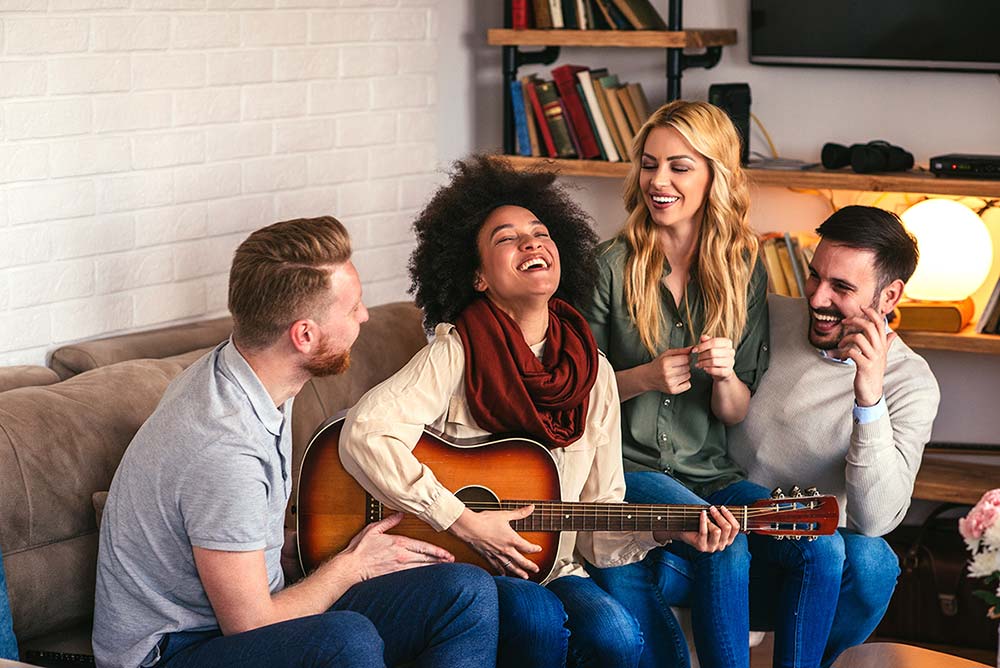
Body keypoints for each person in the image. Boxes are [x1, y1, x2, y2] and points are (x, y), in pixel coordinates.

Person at [339, 155, 741, 668]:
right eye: (505, 238)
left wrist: (667, 528)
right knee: (536, 618)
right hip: (462, 561)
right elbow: (364, 432)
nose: (530, 242)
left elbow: (599, 524)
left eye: (539, 232)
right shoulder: (456, 351)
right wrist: (463, 520)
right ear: (479, 277)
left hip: (555, 564)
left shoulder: (591, 371)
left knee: (617, 634)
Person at [93, 217, 499, 668]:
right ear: (304, 336)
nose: (365, 316)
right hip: (173, 650)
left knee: (464, 592)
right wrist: (350, 566)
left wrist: (340, 544)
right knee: (348, 640)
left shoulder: (251, 377)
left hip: (236, 614)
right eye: (353, 309)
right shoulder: (224, 447)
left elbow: (239, 543)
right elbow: (250, 623)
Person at [580, 100, 844, 668]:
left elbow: (734, 411)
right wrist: (644, 377)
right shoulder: (607, 265)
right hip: (626, 472)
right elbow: (575, 401)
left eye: (678, 166)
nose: (658, 181)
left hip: (711, 475)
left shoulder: (741, 266)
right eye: (649, 165)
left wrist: (724, 374)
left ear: (713, 174)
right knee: (721, 542)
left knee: (821, 546)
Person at [728, 205, 941, 667]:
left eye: (841, 287)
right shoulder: (769, 316)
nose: (817, 298)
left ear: (889, 296)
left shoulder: (912, 383)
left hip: (809, 560)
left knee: (875, 563)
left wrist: (869, 399)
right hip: (724, 530)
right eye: (814, 276)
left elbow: (877, 519)